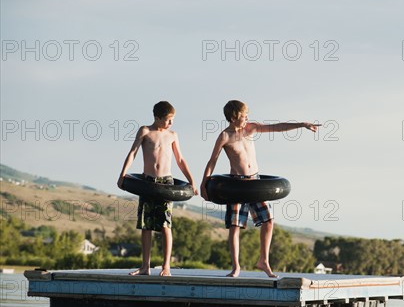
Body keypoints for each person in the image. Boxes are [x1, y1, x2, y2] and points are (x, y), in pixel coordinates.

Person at [200, 100, 319, 278]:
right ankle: (236, 267)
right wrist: (204, 184)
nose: (247, 117)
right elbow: (213, 160)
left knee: (269, 221)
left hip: (255, 184)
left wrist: (302, 125)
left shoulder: (251, 128)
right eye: (243, 115)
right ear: (233, 118)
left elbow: (277, 127)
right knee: (235, 226)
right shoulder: (225, 136)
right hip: (236, 185)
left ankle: (263, 261)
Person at [117, 101, 198, 276]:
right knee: (146, 226)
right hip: (147, 183)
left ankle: (166, 266)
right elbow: (133, 153)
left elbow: (180, 160)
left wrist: (191, 181)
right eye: (168, 120)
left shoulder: (173, 135)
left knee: (165, 225)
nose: (171, 123)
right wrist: (123, 175)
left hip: (166, 183)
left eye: (173, 120)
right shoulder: (145, 131)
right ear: (157, 117)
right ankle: (145, 266)